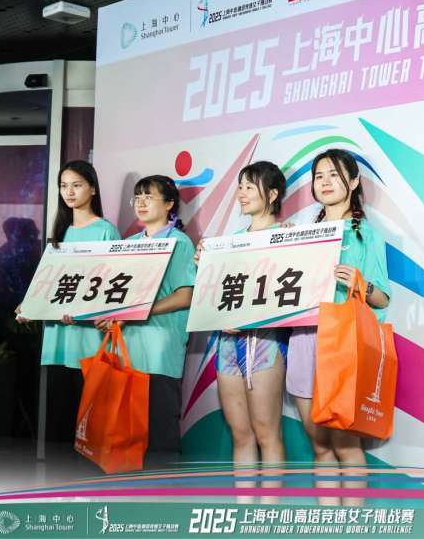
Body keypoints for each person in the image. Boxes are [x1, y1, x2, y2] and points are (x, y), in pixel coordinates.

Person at [285, 148, 390, 507]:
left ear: (354, 181)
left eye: (334, 174)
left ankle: (352, 523)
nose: (325, 182)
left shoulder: (366, 235)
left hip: (344, 343)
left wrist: (361, 283)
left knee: (346, 444)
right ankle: (329, 520)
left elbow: (382, 299)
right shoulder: (302, 235)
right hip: (303, 339)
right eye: (319, 176)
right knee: (319, 444)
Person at [198, 161, 288, 500]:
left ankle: (267, 514)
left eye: (251, 186)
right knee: (240, 433)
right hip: (227, 343)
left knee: (267, 432)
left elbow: (291, 298)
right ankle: (244, 509)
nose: (242, 193)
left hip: (265, 343)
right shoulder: (229, 242)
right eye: (240, 186)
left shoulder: (287, 237)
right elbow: (213, 297)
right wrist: (204, 266)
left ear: (273, 194)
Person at [17, 160, 120, 442]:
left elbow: (114, 284)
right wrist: (30, 305)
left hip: (88, 338)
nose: (69, 192)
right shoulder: (60, 231)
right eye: (63, 186)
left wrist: (84, 311)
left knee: (90, 427)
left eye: (76, 185)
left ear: (93, 189)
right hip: (58, 338)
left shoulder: (106, 231)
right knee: (58, 422)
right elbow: (49, 281)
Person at [98, 175, 196, 466]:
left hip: (160, 350)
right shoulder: (129, 243)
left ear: (169, 204)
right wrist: (110, 315)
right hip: (128, 349)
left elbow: (185, 296)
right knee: (127, 434)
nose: (140, 203)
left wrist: (139, 311)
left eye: (148, 197)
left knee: (159, 431)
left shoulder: (180, 242)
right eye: (137, 197)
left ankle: (162, 490)